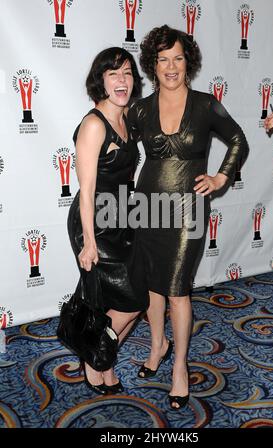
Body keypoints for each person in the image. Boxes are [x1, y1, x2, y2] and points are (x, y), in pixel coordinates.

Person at [128, 25, 249, 409]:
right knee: (151, 284)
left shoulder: (207, 103)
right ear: (152, 65)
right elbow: (121, 149)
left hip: (187, 211)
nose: (170, 66)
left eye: (177, 58)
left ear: (188, 62)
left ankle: (179, 367)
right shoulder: (140, 108)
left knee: (177, 289)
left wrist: (220, 177)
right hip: (147, 204)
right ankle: (157, 346)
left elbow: (237, 139)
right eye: (162, 59)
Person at [67, 47, 149, 395]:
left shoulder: (127, 117)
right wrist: (88, 241)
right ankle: (95, 358)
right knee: (131, 301)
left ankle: (102, 360)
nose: (122, 80)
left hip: (121, 216)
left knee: (118, 301)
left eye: (128, 73)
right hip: (93, 222)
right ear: (100, 80)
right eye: (114, 73)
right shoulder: (93, 124)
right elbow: (85, 191)